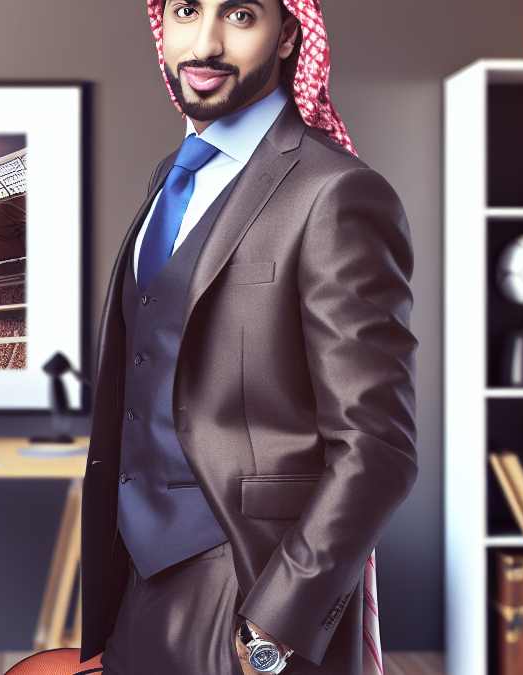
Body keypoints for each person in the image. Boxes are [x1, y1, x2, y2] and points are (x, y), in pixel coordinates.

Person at [80, 1, 418, 674]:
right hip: (135, 584)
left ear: (289, 34)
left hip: (249, 585)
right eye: (185, 10)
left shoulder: (337, 193)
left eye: (238, 14)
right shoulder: (168, 180)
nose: (203, 42)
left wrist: (271, 626)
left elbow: (377, 446)